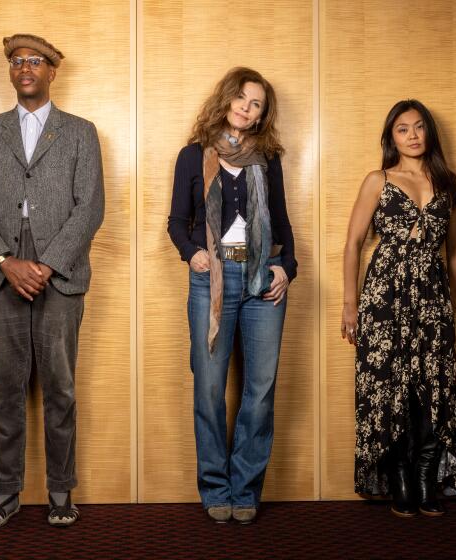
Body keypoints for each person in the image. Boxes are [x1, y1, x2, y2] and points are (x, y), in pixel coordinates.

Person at [0, 33, 104, 528]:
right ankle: (7, 491)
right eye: (17, 60)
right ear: (11, 71)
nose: (25, 67)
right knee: (5, 389)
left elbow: (91, 207)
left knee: (60, 387)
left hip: (58, 276)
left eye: (35, 60)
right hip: (1, 274)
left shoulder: (80, 132)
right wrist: (4, 259)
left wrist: (48, 262)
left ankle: (61, 491)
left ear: (51, 72)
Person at [168, 67, 297, 524]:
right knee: (209, 389)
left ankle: (245, 490)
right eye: (241, 97)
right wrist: (192, 254)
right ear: (225, 99)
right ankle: (215, 488)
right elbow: (176, 222)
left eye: (256, 103)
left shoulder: (269, 159)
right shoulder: (193, 156)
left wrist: (287, 267)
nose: (246, 107)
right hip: (212, 282)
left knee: (259, 392)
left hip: (264, 282)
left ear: (263, 115)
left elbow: (280, 222)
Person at [342, 99, 456, 517]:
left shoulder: (449, 184)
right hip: (383, 299)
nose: (412, 135)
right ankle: (399, 481)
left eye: (418, 127)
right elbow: (353, 244)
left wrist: (447, 299)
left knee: (432, 389)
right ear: (390, 136)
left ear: (429, 132)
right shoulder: (378, 180)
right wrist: (350, 305)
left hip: (432, 301)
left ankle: (425, 481)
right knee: (389, 389)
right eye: (402, 128)